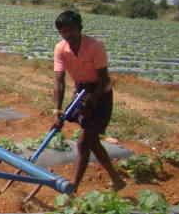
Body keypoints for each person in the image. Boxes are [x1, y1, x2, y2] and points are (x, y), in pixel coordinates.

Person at [52, 10, 125, 191]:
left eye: (71, 30)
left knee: (84, 142)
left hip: (101, 93)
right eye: (63, 32)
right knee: (91, 140)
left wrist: (91, 102)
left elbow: (104, 80)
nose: (67, 35)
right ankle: (117, 180)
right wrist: (57, 111)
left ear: (79, 28)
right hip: (81, 91)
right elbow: (59, 82)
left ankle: (73, 187)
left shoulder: (95, 46)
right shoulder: (60, 48)